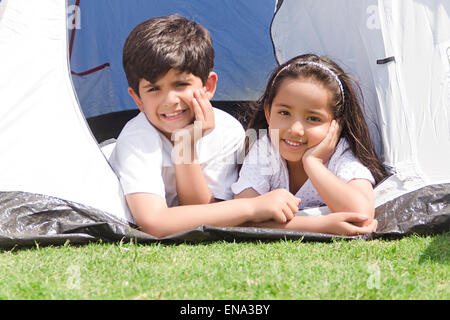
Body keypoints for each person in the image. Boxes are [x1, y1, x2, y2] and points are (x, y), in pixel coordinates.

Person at [109, 15, 302, 238]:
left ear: (208, 86)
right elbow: (153, 222)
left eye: (180, 84)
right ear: (138, 99)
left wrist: (185, 145)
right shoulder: (137, 137)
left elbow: (206, 216)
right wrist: (253, 207)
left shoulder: (227, 130)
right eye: (154, 89)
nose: (170, 99)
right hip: (114, 152)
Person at [232, 54, 386, 235]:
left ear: (335, 124)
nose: (295, 130)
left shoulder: (340, 154)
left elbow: (361, 215)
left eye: (313, 118)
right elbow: (240, 216)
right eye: (284, 113)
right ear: (268, 113)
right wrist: (318, 225)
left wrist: (313, 163)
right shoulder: (265, 149)